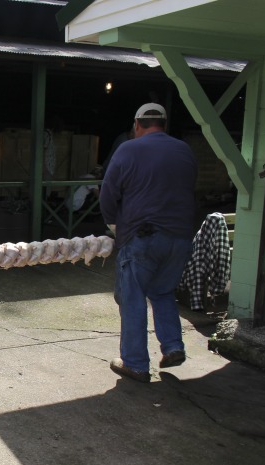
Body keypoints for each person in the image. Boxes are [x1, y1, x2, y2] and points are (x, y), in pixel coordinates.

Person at [100, 103, 197, 383]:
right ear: (163, 124)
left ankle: (135, 363)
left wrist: (114, 226)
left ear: (136, 124)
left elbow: (108, 192)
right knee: (163, 291)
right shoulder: (184, 150)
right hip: (179, 237)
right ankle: (173, 346)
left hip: (143, 236)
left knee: (132, 298)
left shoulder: (129, 149)